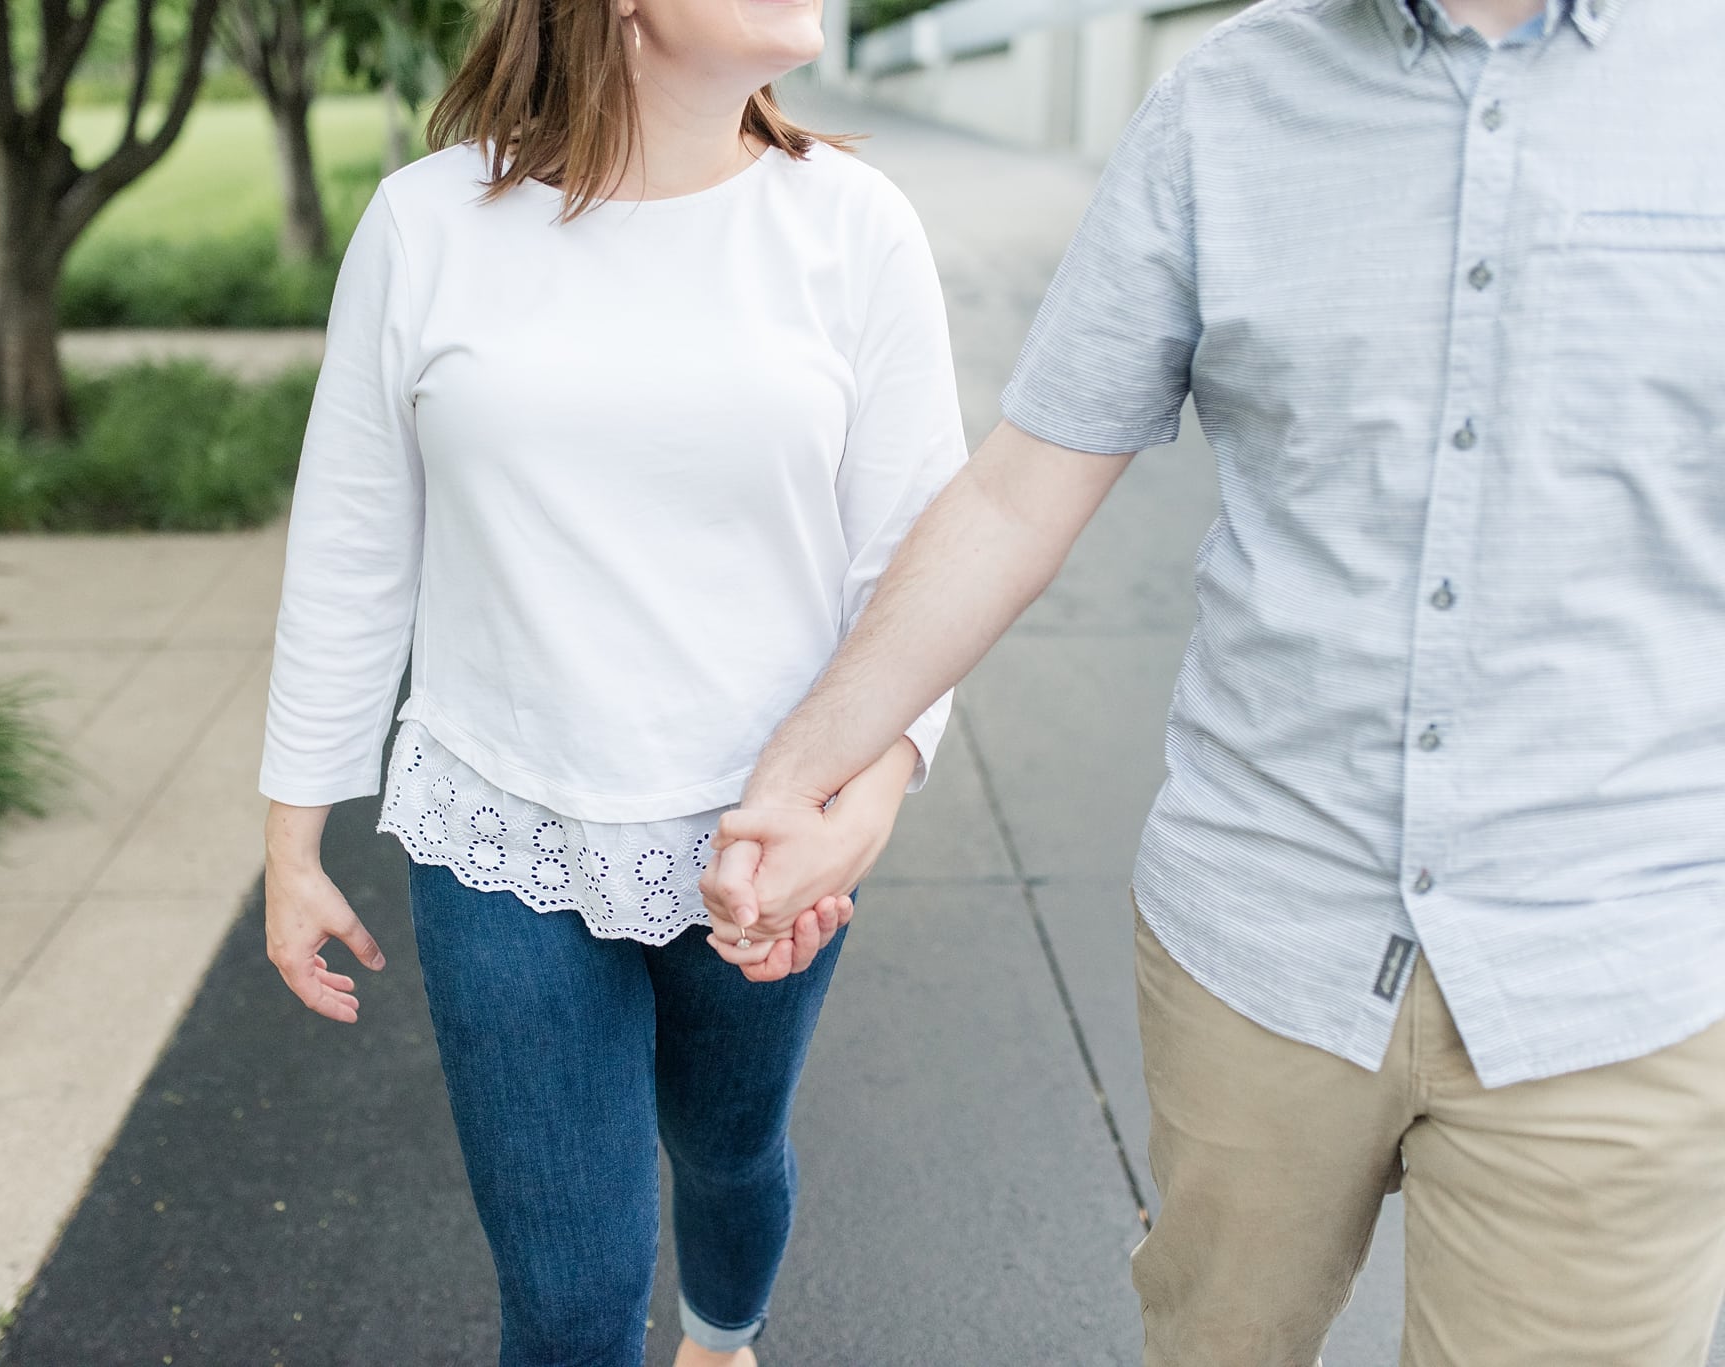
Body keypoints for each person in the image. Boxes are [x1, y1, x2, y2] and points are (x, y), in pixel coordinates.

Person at [701, 0, 1725, 1362]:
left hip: (1617, 969)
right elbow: (1017, 494)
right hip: (1259, 939)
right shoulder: (1226, 100)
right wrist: (808, 766)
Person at [253, 0, 968, 1359]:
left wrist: (849, 822)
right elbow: (352, 547)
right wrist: (294, 842)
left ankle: (724, 1335)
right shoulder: (426, 226)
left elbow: (918, 579)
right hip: (498, 833)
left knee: (728, 1155)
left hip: (765, 841)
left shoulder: (853, 227)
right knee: (571, 1301)